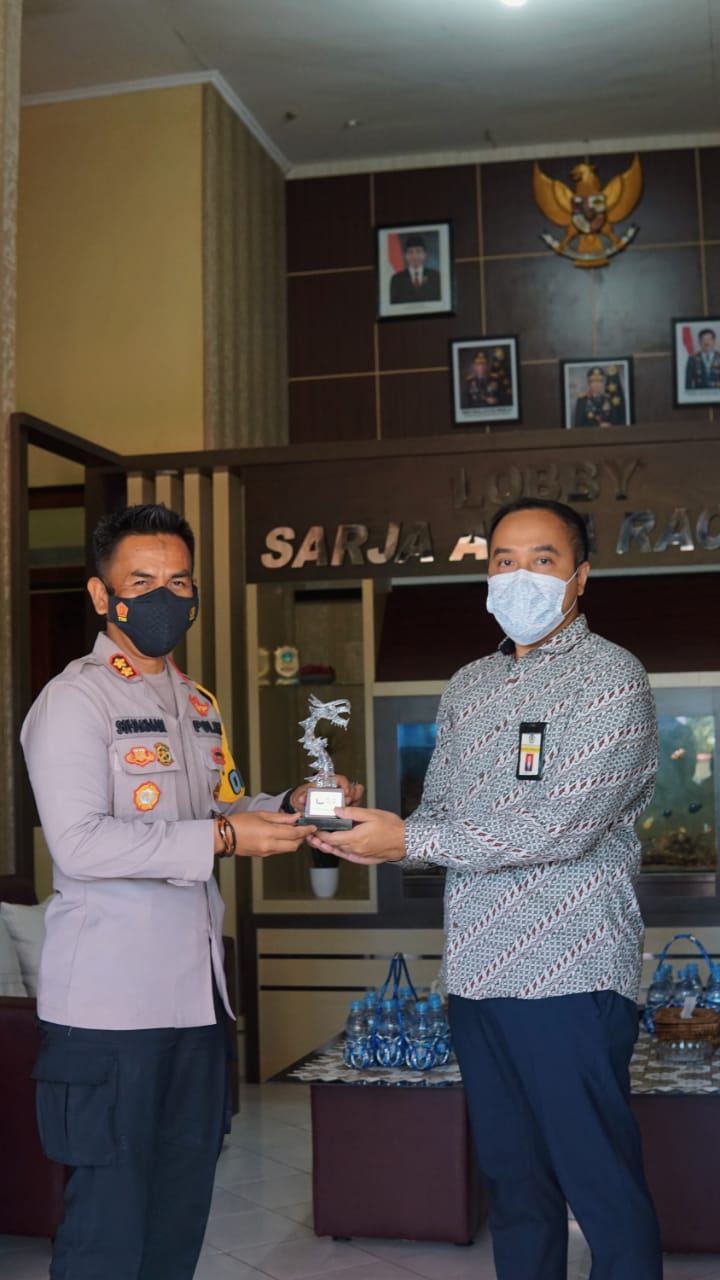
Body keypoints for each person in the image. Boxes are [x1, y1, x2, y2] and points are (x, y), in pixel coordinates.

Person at [309, 497, 663, 1280]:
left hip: (571, 974)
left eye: (542, 559)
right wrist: (365, 827)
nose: (519, 575)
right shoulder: (469, 684)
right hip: (476, 975)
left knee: (601, 1189)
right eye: (504, 560)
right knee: (515, 1189)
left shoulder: (612, 678)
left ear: (580, 577)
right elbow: (437, 817)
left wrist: (409, 839)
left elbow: (562, 826)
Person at [20, 502, 361, 1280]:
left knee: (179, 1218)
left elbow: (222, 809)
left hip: (197, 1005)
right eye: (142, 581)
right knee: (108, 1231)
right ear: (102, 595)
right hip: (108, 1012)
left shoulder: (197, 703)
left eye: (179, 582)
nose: (165, 597)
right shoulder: (74, 702)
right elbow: (79, 844)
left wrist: (291, 804)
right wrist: (224, 839)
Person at [389, 233, 441, 303]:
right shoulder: (396, 279)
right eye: (410, 252)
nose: (415, 256)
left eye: (418, 251)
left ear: (425, 254)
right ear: (405, 255)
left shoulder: (436, 277)